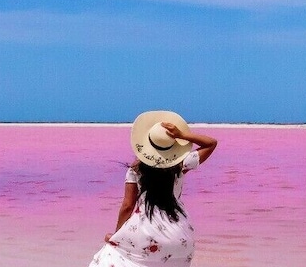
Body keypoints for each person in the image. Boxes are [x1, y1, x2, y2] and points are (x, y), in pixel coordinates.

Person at [88, 111, 219, 267]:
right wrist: (182, 135)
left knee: (109, 255)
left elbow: (127, 206)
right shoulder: (179, 166)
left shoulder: (136, 170)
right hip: (180, 237)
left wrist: (117, 237)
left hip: (145, 236)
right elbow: (211, 143)